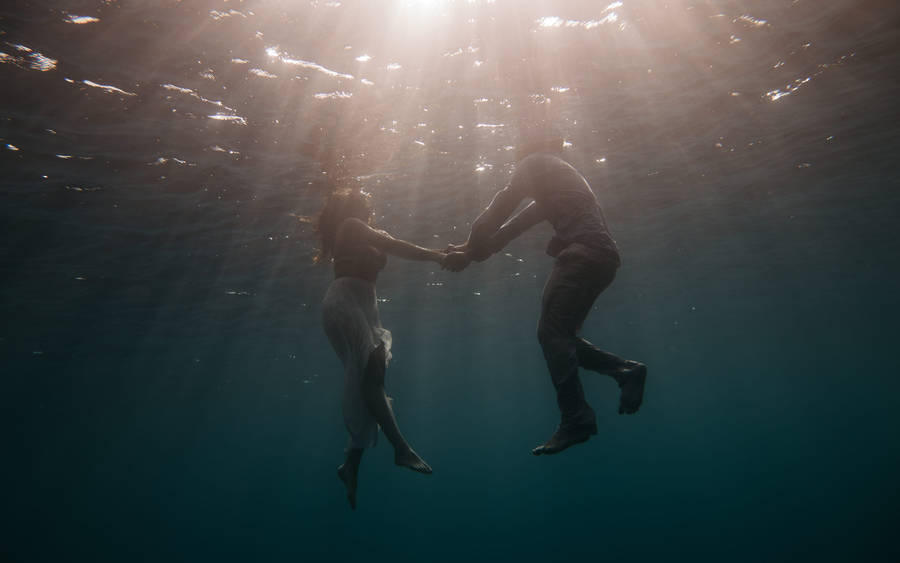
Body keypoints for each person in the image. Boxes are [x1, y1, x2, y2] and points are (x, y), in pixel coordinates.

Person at [444, 134, 647, 456]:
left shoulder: (534, 161)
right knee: (559, 336)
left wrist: (468, 248)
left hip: (582, 256)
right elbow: (505, 233)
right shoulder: (557, 183)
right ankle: (626, 371)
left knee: (552, 335)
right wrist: (468, 253)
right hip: (603, 259)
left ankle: (576, 418)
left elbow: (497, 211)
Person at [315, 189, 445, 509]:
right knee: (371, 380)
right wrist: (439, 255)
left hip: (361, 306)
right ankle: (400, 447)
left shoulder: (359, 229)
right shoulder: (351, 225)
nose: (367, 203)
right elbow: (396, 247)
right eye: (362, 200)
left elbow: (390, 244)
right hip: (345, 302)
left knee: (369, 382)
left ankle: (350, 466)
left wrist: (444, 254)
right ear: (351, 206)